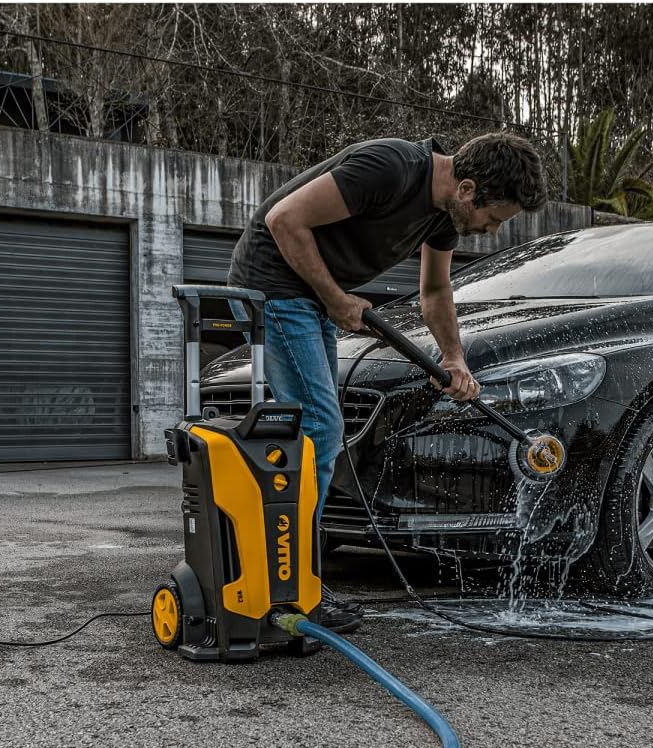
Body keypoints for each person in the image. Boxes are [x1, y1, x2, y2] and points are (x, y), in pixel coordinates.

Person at [227, 132, 547, 632]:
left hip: (306, 297)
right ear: (467, 188)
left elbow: (436, 290)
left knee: (313, 436)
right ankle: (292, 587)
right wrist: (336, 298)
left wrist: (454, 357)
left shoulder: (445, 216)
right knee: (320, 430)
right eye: (495, 217)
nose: (490, 229)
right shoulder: (391, 167)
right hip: (272, 283)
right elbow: (283, 220)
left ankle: (289, 576)